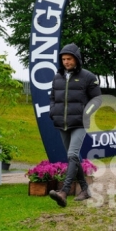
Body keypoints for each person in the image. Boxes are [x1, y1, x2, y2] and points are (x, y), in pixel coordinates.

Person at [48, 43, 102, 207]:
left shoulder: (88, 77)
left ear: (76, 59)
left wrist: (86, 114)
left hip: (79, 123)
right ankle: (85, 190)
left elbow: (97, 100)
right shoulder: (57, 77)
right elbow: (53, 98)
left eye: (69, 59)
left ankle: (63, 192)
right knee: (74, 158)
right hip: (62, 123)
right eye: (63, 59)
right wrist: (53, 111)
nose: (66, 62)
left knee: (72, 155)